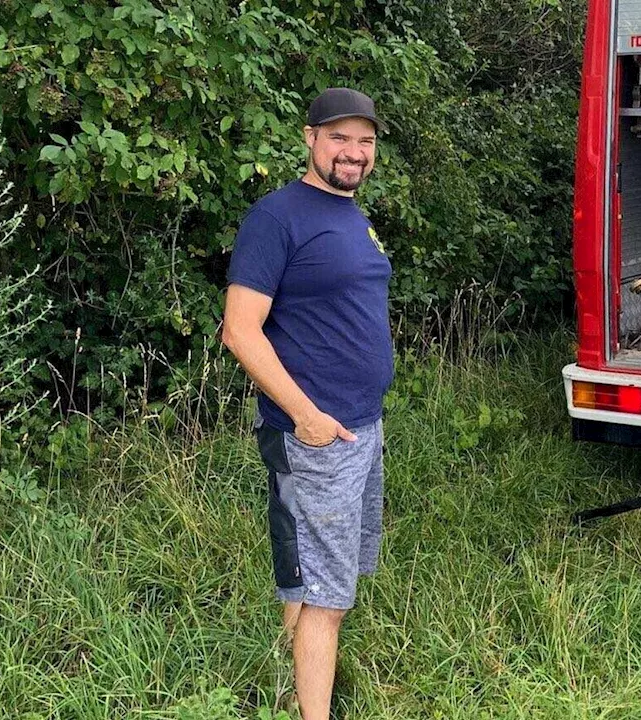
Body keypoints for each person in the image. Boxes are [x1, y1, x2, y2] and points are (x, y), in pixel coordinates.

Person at [221, 87, 392, 717]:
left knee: (309, 574)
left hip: (359, 428)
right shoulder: (278, 216)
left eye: (365, 141)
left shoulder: (352, 216)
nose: (354, 152)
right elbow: (240, 329)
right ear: (310, 139)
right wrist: (307, 416)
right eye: (340, 138)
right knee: (327, 597)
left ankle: (289, 691)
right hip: (318, 434)